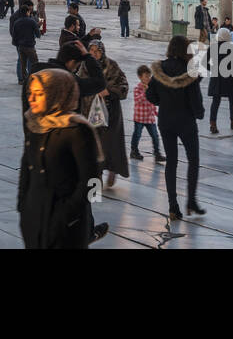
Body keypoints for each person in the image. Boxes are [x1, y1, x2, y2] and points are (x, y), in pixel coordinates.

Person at [18, 68, 102, 249]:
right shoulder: (35, 124)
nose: (31, 99)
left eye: (39, 94)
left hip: (66, 227)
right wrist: (23, 205)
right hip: (35, 219)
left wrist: (67, 214)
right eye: (30, 93)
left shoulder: (78, 131)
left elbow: (93, 182)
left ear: (56, 94)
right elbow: (27, 166)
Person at [147, 35, 206, 219]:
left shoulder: (159, 70)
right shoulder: (189, 72)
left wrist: (162, 101)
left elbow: (151, 96)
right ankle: (191, 201)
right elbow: (195, 100)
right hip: (186, 122)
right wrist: (200, 113)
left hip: (165, 121)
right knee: (193, 160)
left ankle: (173, 206)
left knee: (171, 162)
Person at [86, 39, 129, 188]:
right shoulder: (84, 67)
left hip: (111, 113)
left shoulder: (112, 66)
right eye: (91, 51)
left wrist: (109, 92)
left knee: (111, 145)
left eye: (96, 51)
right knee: (93, 145)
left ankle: (113, 169)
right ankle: (95, 176)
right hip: (89, 112)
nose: (93, 54)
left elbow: (123, 86)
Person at [206, 27, 233, 134]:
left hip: (216, 78)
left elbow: (205, 63)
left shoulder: (212, 47)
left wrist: (212, 69)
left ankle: (213, 124)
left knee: (216, 101)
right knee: (232, 100)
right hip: (229, 78)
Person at [130, 64, 163, 164]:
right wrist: (145, 92)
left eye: (149, 76)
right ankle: (134, 151)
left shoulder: (151, 88)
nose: (148, 79)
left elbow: (152, 101)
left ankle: (157, 153)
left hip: (149, 117)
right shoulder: (137, 88)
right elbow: (138, 100)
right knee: (137, 135)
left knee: (155, 136)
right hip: (139, 117)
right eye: (146, 77)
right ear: (140, 77)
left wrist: (156, 112)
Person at [10, 4, 40, 83]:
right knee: (34, 62)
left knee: (22, 63)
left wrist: (17, 44)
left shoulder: (17, 22)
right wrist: (38, 27)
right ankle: (33, 79)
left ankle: (22, 79)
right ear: (27, 12)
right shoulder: (32, 21)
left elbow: (14, 35)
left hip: (21, 46)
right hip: (30, 46)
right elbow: (38, 34)